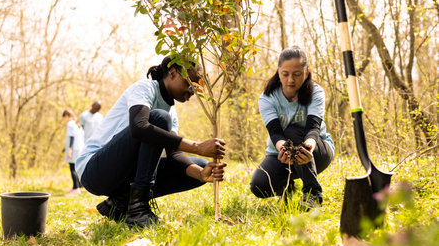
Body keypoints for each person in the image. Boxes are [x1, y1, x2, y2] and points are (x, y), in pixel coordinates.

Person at [76, 55, 227, 228]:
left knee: (198, 164)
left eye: (196, 90)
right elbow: (139, 127)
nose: (191, 93)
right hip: (95, 171)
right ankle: (138, 210)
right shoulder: (145, 88)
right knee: (158, 119)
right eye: (190, 85)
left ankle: (120, 203)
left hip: (123, 174)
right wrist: (197, 146)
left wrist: (201, 174)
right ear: (172, 73)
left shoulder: (171, 113)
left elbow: (175, 155)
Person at [250, 46, 334, 210]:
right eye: (285, 74)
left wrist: (308, 147)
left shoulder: (316, 93)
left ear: (307, 72)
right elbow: (275, 133)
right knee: (258, 185)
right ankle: (287, 187)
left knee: (291, 131)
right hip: (281, 154)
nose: (290, 80)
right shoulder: (267, 98)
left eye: (297, 74)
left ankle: (313, 194)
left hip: (317, 152)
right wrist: (284, 149)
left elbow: (313, 128)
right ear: (278, 71)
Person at [62, 109, 85, 195]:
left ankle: (76, 188)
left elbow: (71, 137)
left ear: (67, 116)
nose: (64, 120)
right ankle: (78, 186)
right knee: (77, 167)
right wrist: (65, 148)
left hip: (74, 149)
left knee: (72, 168)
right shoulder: (77, 124)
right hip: (80, 148)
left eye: (64, 118)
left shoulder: (70, 124)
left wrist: (69, 149)